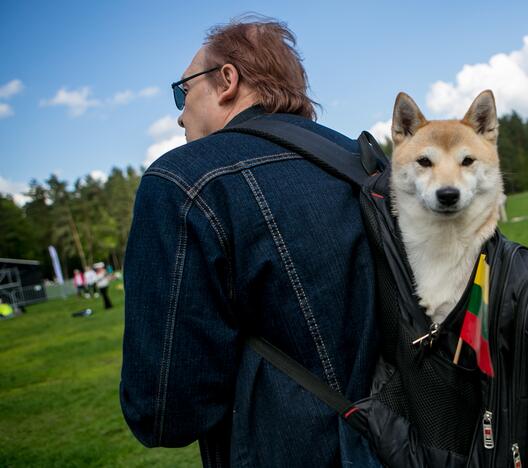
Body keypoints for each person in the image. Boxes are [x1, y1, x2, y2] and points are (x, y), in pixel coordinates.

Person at [120, 16, 379, 468]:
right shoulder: (363, 163)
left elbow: (163, 412)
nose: (180, 114)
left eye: (183, 92)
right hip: (401, 443)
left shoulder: (184, 182)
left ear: (226, 81)